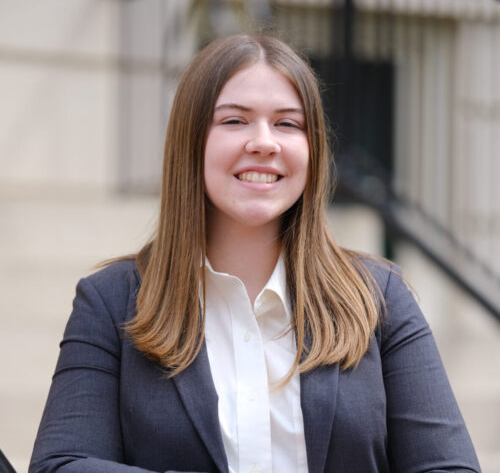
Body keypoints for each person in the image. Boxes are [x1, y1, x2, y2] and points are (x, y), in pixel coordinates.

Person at [30, 34, 480, 473]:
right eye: (234, 121)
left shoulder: (379, 297)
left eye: (288, 123)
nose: (264, 142)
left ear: (312, 149)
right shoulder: (110, 302)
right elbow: (61, 463)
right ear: (191, 143)